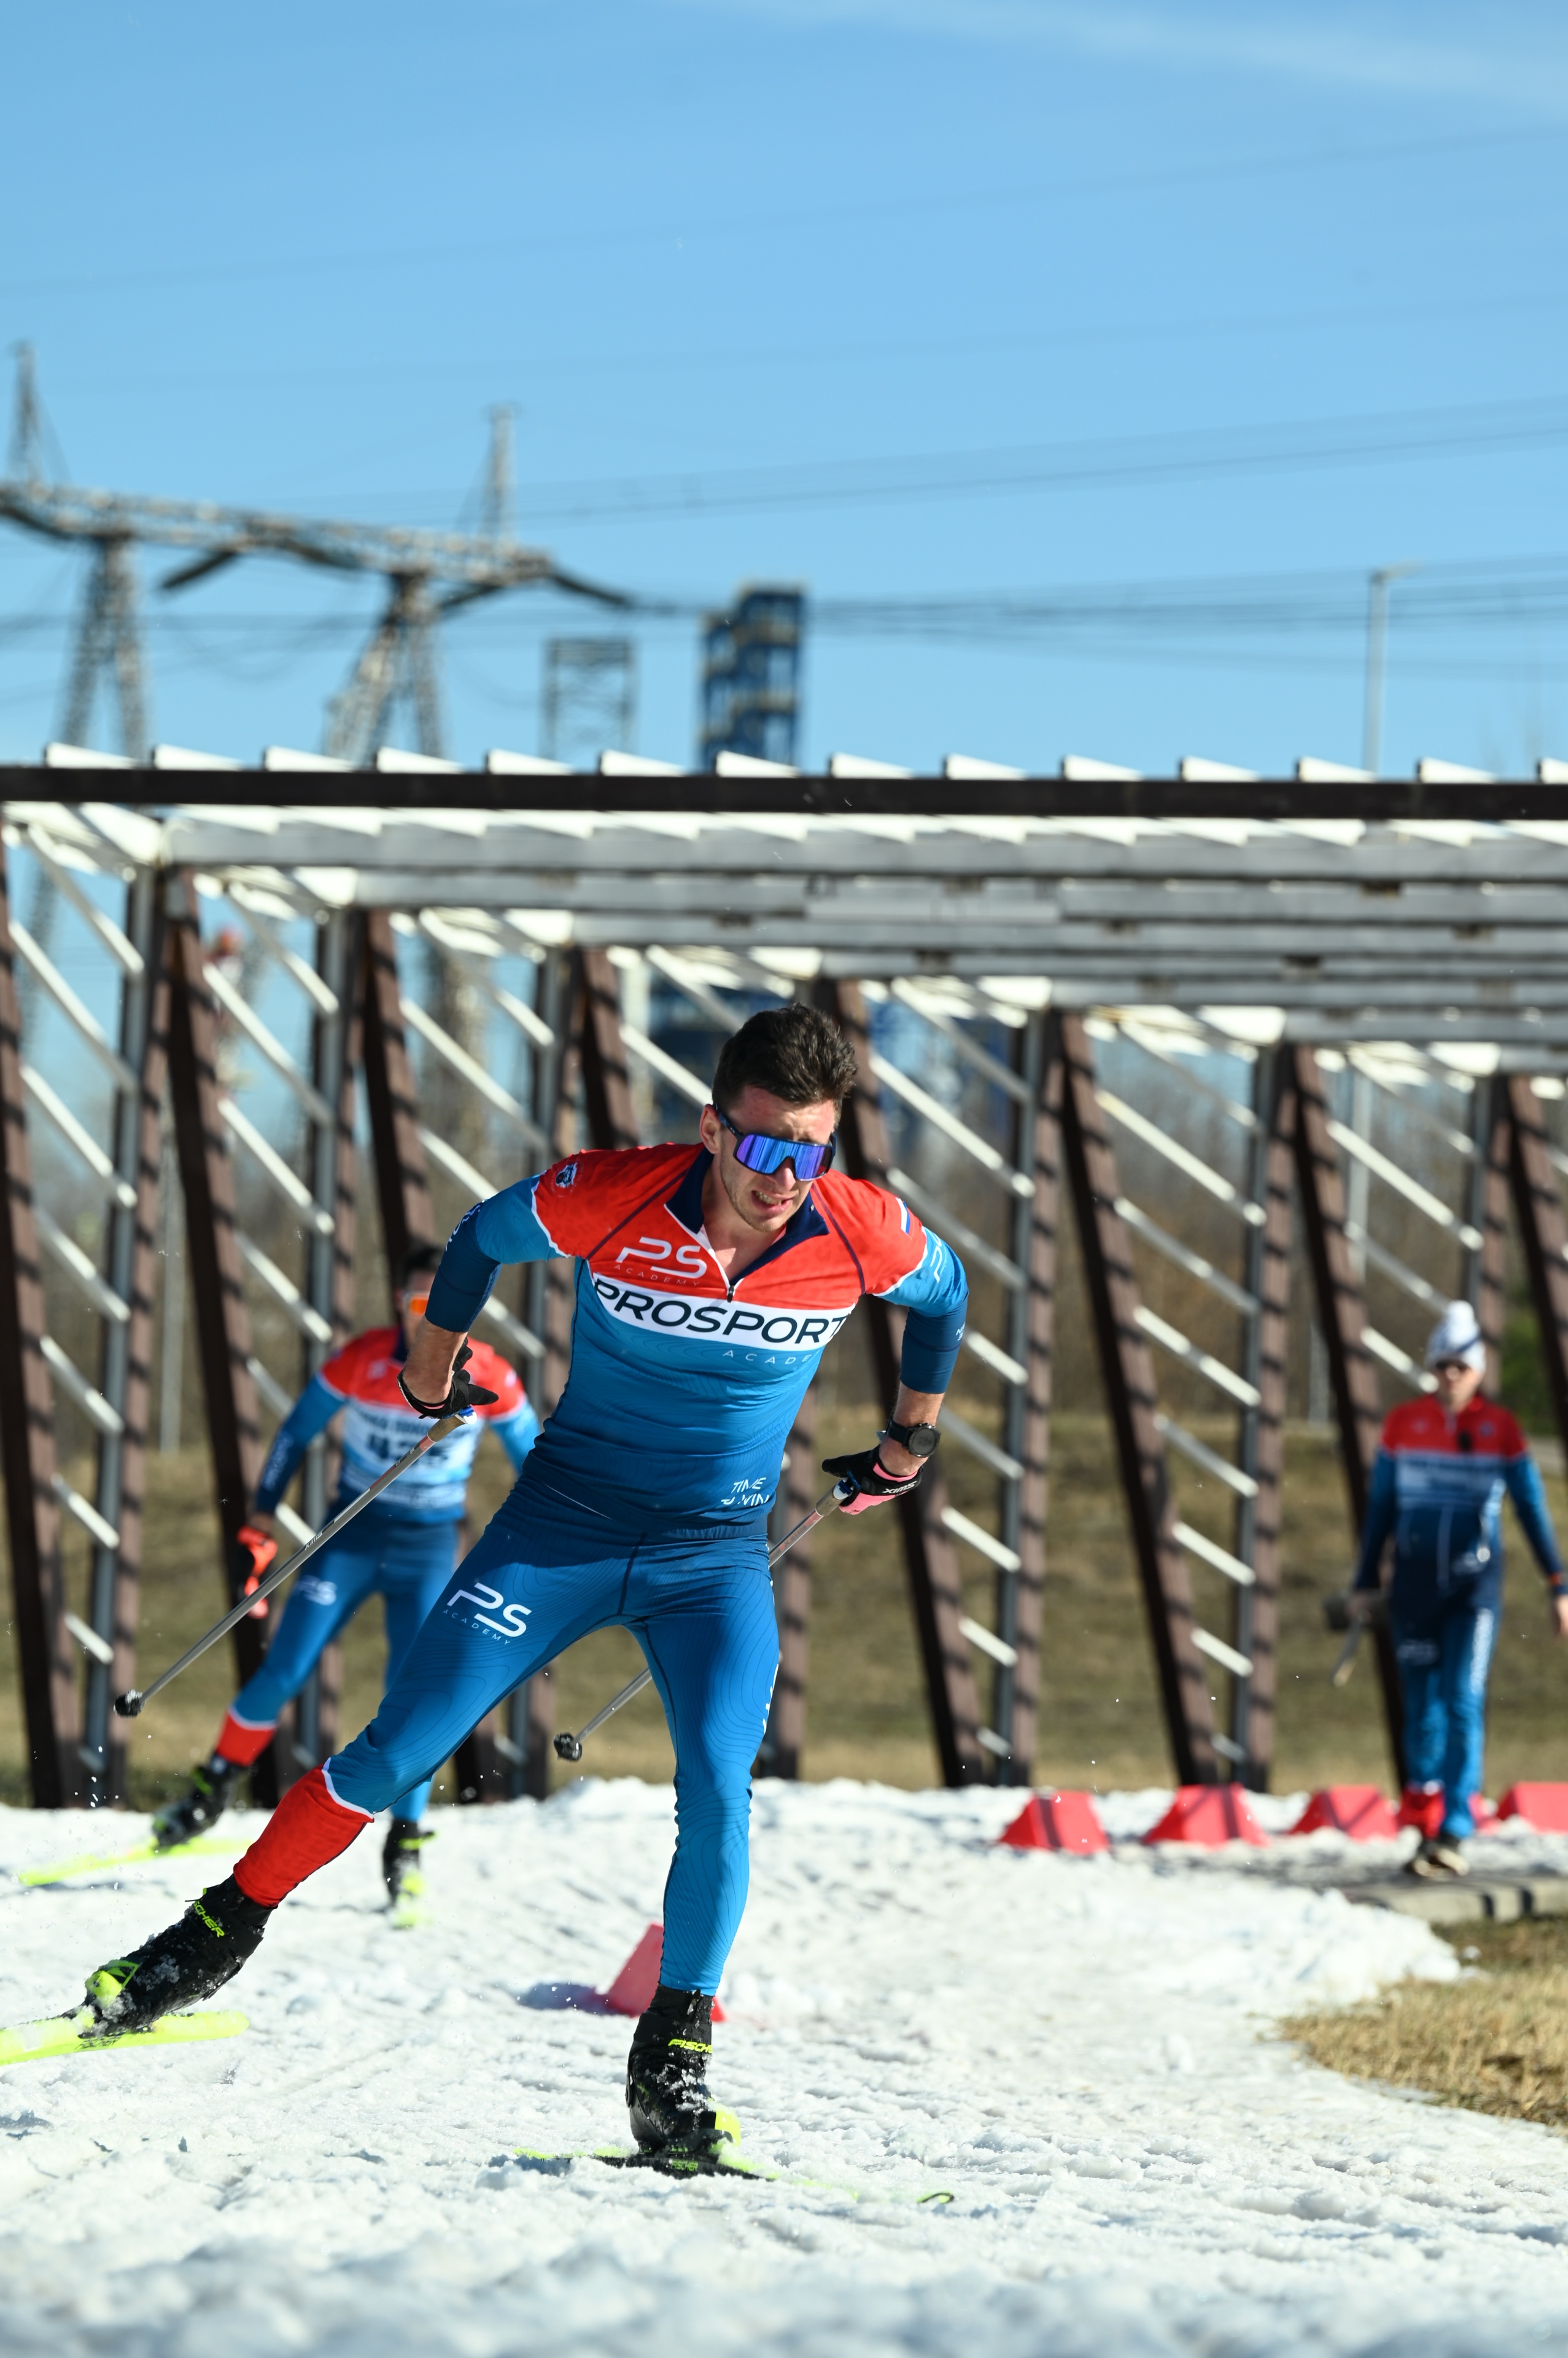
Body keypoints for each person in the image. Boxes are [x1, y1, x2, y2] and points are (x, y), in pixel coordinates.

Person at [72, 1006, 966, 2162]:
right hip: (561, 1530)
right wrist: (429, 1367)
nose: (783, 1179)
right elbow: (482, 1238)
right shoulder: (618, 1191)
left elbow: (941, 1301)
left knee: (715, 1781)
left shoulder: (858, 1228)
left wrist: (907, 1441)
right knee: (397, 1751)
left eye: (808, 1152)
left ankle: (672, 2063)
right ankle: (202, 1941)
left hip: (713, 1556)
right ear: (710, 1129)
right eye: (760, 1149)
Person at [152, 1244, 539, 1905]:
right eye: (424, 1304)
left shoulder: (492, 1373)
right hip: (351, 1535)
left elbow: (534, 1453)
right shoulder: (362, 1362)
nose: (440, 1317)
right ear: (399, 1303)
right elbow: (294, 1434)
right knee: (285, 1668)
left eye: (455, 1305)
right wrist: (261, 1517)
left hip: (429, 1546)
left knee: (410, 1694)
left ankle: (406, 1837)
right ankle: (211, 1787)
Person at [1350, 1298, 1568, 1879]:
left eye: (1460, 1367)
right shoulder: (1403, 1424)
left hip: (1474, 1590)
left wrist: (1558, 1582)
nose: (1450, 1377)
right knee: (1422, 1707)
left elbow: (1531, 1508)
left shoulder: (1501, 1430)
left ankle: (1456, 1825)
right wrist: (1365, 1578)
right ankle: (1424, 1819)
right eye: (1441, 1366)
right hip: (1414, 1589)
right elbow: (1380, 1510)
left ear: (1478, 1370)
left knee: (1464, 1699)